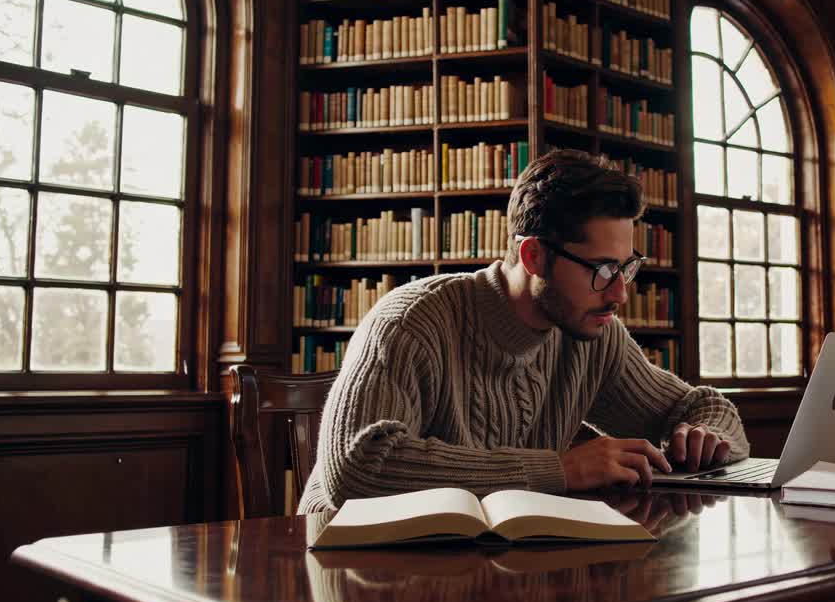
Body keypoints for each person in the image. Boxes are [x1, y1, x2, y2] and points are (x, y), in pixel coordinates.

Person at [297, 149, 750, 513]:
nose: (619, 294)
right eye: (603, 269)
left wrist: (706, 436)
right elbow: (355, 470)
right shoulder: (411, 321)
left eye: (627, 268)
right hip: (347, 570)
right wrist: (560, 471)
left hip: (491, 570)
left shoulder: (593, 332)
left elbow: (701, 406)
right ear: (534, 256)